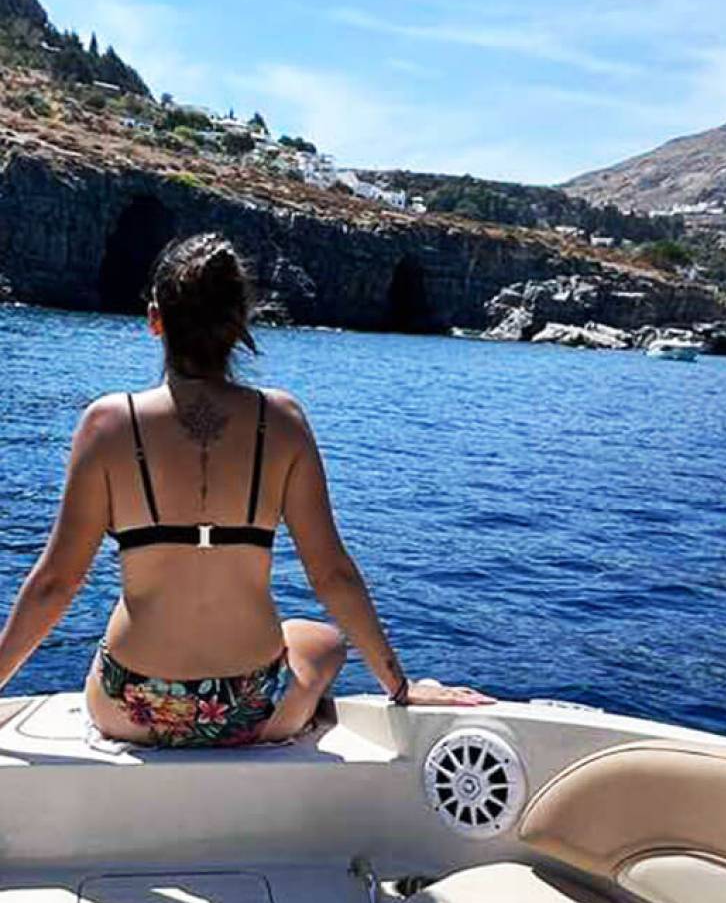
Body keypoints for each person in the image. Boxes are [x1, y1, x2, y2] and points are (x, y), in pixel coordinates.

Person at [0, 232, 493, 746]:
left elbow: (56, 582)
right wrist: (401, 686)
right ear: (241, 321)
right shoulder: (281, 420)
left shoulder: (107, 423)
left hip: (131, 706)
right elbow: (332, 574)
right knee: (324, 641)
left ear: (155, 320)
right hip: (251, 709)